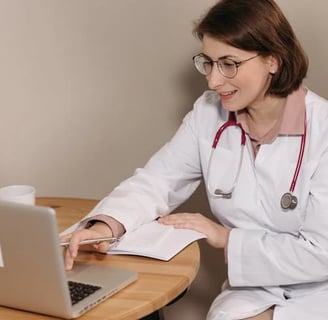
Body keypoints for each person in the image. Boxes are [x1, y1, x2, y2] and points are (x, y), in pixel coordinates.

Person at [61, 0, 328, 319]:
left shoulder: (322, 130)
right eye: (209, 63)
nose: (214, 81)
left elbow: (321, 254)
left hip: (320, 290)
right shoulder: (208, 113)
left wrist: (225, 237)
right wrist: (105, 225)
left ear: (273, 59)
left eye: (229, 64)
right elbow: (157, 181)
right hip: (253, 289)